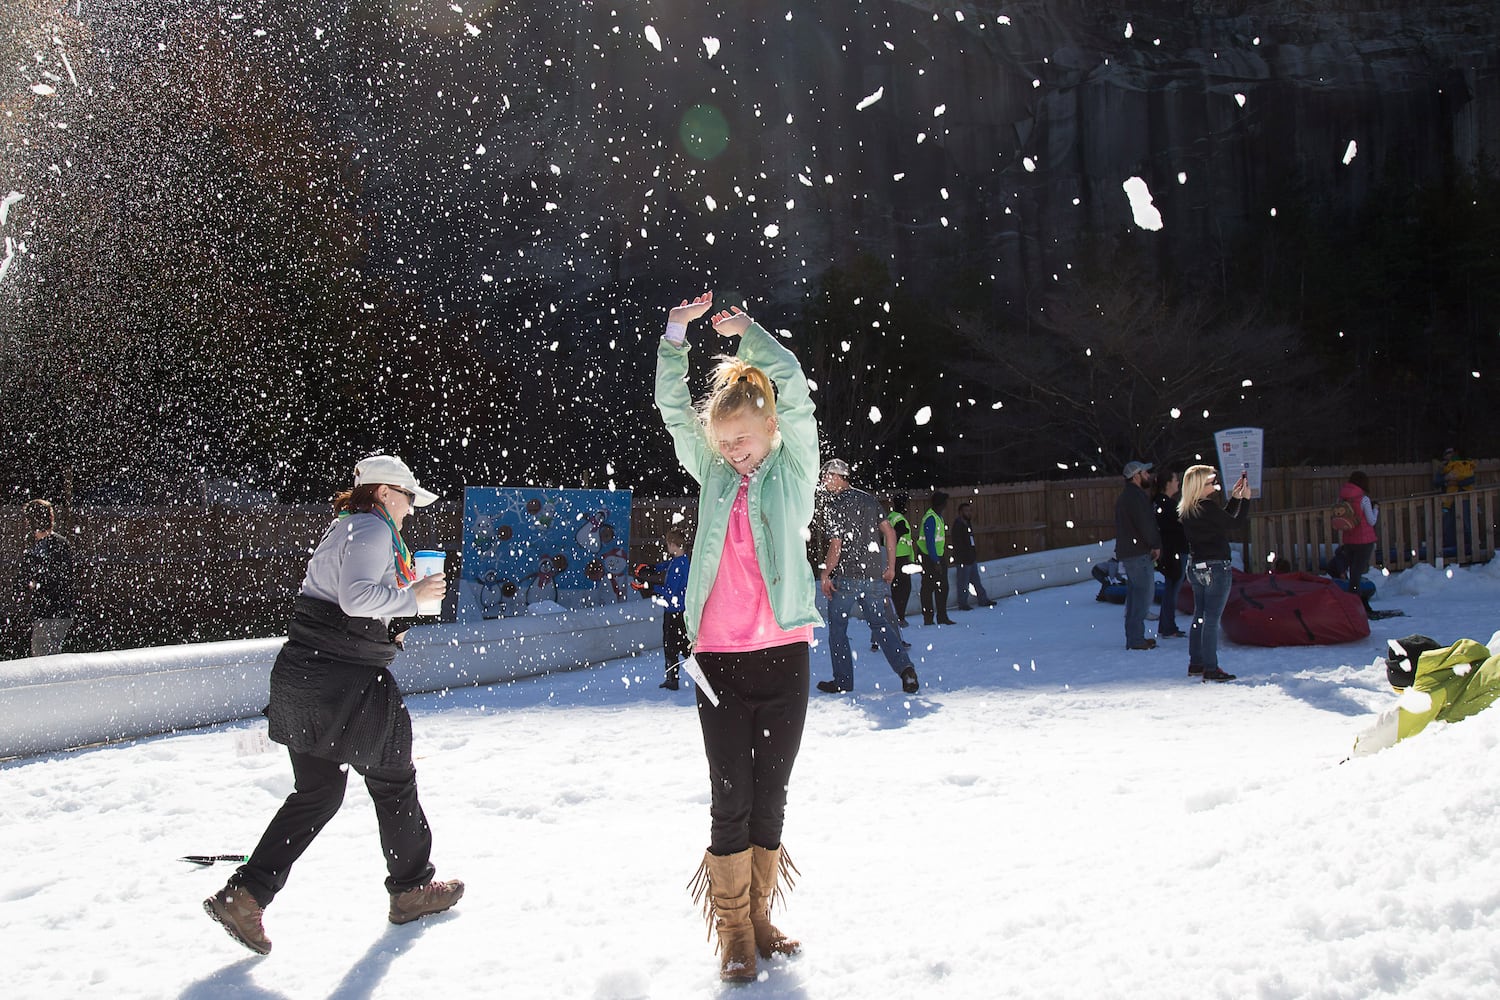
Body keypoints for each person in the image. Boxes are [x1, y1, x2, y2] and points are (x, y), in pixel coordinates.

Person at [203, 455, 463, 956]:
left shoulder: (345, 527)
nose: (411, 510)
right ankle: (411, 890)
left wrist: (390, 624)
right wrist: (414, 597)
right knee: (393, 782)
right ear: (387, 493)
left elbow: (339, 609)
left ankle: (246, 895)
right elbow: (355, 598)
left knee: (317, 793)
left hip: (305, 676)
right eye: (409, 498)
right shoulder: (371, 529)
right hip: (348, 686)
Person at [655, 291, 820, 983]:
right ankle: (731, 932)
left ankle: (757, 920)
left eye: (744, 437)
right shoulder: (715, 476)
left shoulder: (794, 469)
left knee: (772, 795)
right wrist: (675, 339)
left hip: (782, 656)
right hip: (718, 660)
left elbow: (797, 391)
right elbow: (673, 411)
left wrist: (748, 334)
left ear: (771, 428)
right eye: (722, 441)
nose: (732, 449)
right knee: (732, 795)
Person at [814, 458, 920, 695]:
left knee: (838, 630)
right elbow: (890, 533)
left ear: (839, 476)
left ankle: (843, 682)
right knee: (881, 626)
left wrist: (825, 573)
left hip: (846, 579)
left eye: (826, 477)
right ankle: (906, 670)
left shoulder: (836, 505)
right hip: (873, 578)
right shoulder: (869, 500)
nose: (824, 482)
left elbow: (836, 546)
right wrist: (890, 566)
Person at [1178, 464, 1250, 682]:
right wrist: (1246, 499)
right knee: (1211, 619)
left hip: (1196, 566)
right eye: (1211, 482)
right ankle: (1211, 667)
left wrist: (1236, 499)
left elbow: (1222, 520)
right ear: (1200, 485)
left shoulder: (1189, 508)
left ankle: (1197, 662)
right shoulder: (1206, 507)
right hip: (1216, 566)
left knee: (1200, 616)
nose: (1215, 485)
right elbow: (1235, 523)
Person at [13, 499, 75, 657]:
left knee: (42, 662)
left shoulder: (35, 551)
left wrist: (34, 584)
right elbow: (66, 578)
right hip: (63, 612)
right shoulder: (63, 544)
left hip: (45, 613)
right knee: (54, 657)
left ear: (30, 522)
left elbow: (21, 583)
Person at [632, 528, 692, 689]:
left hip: (675, 611)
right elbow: (665, 566)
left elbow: (670, 591)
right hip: (677, 610)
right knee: (681, 646)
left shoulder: (679, 565)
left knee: (674, 646)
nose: (667, 546)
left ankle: (675, 679)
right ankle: (680, 677)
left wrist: (648, 585)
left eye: (668, 543)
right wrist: (651, 568)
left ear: (673, 544)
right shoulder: (680, 560)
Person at [1114, 461, 1161, 650]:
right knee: (1143, 595)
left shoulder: (1126, 497)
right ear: (1136, 476)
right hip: (1138, 553)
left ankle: (1135, 637)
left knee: (1135, 596)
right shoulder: (1136, 498)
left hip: (1129, 552)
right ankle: (1136, 639)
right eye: (1145, 473)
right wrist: (1155, 544)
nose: (1148, 475)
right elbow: (1145, 524)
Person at [1337, 470, 1379, 617]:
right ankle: (1355, 606)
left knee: (1352, 571)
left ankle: (1354, 602)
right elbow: (1371, 521)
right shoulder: (1364, 499)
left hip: (1349, 539)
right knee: (1357, 573)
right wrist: (1376, 509)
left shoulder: (1342, 497)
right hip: (1364, 540)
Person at [1153, 470, 1188, 639]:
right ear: (1167, 483)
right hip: (1174, 551)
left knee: (1170, 588)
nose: (1178, 483)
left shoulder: (1160, 503)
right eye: (1175, 479)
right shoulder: (1166, 504)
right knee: (1172, 589)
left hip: (1169, 551)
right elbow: (1177, 524)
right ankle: (1168, 626)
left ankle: (1165, 625)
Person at [915, 490, 955, 626]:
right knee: (929, 587)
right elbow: (930, 541)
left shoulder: (937, 517)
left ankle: (941, 616)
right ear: (941, 503)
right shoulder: (931, 518)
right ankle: (929, 617)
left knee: (941, 587)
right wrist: (935, 560)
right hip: (929, 557)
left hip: (936, 555)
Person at [949, 499, 995, 611]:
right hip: (963, 559)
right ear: (960, 512)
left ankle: (983, 599)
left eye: (970, 511)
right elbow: (959, 544)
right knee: (963, 583)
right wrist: (964, 556)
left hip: (970, 558)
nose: (969, 513)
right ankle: (963, 603)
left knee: (976, 580)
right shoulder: (958, 525)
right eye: (966, 511)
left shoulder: (967, 523)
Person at [886, 494, 916, 626]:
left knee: (895, 588)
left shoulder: (891, 517)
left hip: (892, 558)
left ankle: (896, 616)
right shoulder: (900, 520)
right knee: (903, 589)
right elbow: (895, 538)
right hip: (900, 559)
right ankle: (900, 616)